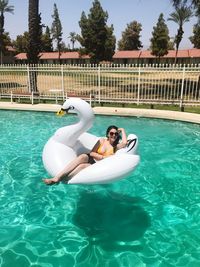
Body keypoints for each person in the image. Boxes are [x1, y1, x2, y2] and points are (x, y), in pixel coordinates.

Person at [43, 125, 127, 185]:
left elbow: (125, 143)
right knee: (82, 157)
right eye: (112, 133)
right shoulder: (101, 141)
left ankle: (63, 180)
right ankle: (57, 177)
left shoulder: (116, 147)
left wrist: (122, 130)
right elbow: (92, 152)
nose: (114, 135)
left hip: (97, 165)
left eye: (116, 134)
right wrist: (102, 157)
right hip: (92, 158)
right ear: (108, 134)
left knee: (82, 166)